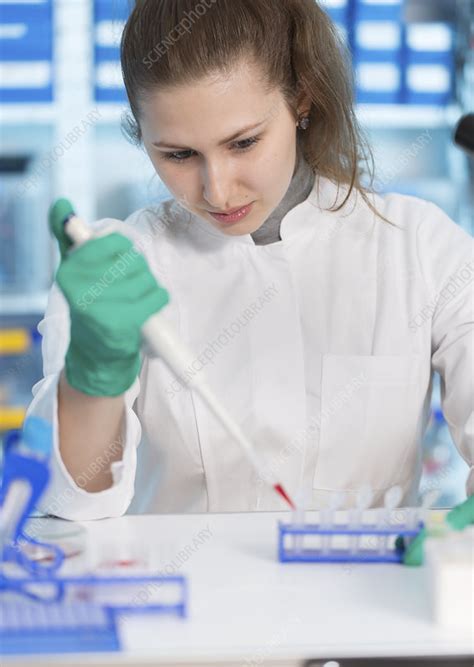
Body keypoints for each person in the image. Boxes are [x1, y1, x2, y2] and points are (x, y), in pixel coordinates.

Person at [27, 0, 473, 520]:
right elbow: (67, 503)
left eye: (243, 143)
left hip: (372, 593)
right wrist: (93, 374)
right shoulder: (119, 270)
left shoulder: (419, 246)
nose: (217, 190)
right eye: (178, 154)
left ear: (302, 98)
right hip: (180, 595)